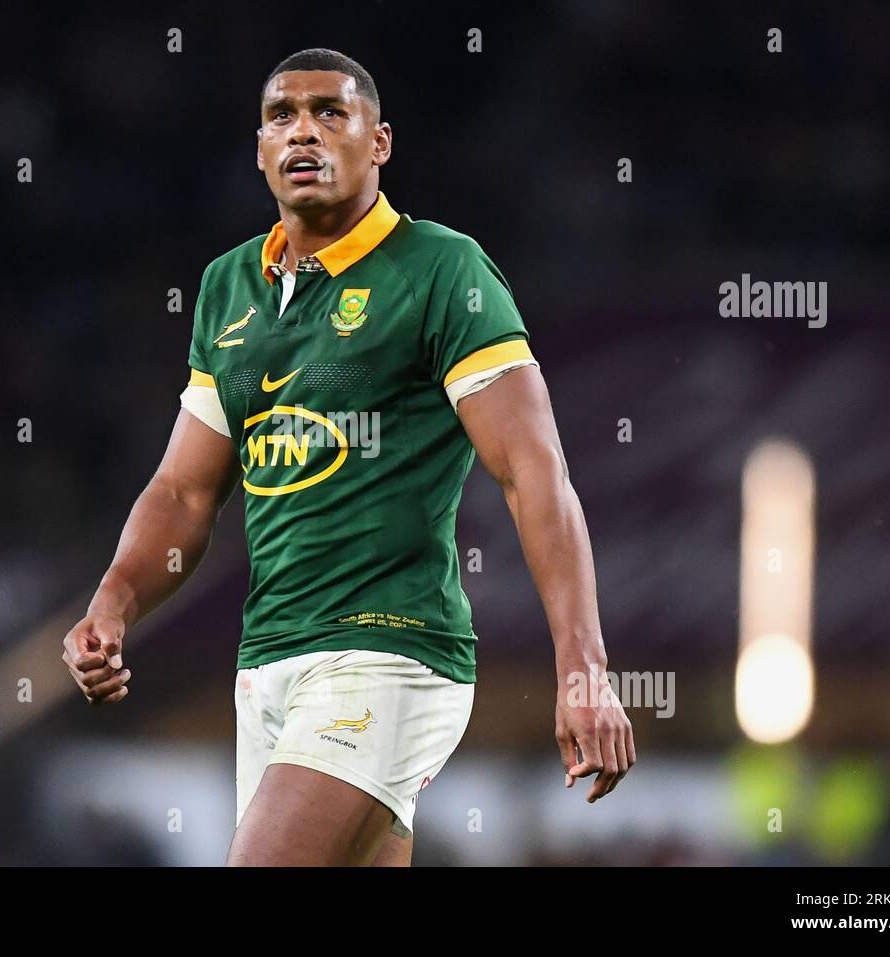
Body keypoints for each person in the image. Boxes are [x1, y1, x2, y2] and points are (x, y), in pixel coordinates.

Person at [62, 47, 635, 866]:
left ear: (380, 142)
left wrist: (583, 668)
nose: (304, 131)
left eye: (331, 112)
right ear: (259, 150)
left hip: (390, 650)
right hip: (268, 663)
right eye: (281, 116)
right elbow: (186, 492)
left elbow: (532, 472)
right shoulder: (229, 288)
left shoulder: (442, 270)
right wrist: (113, 603)